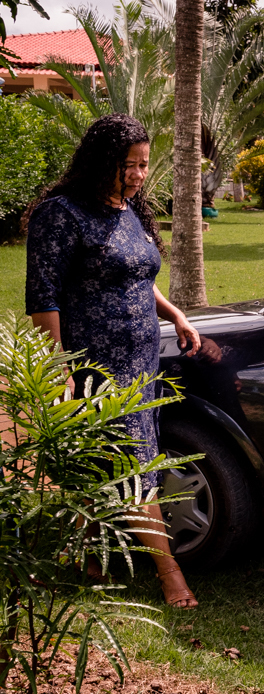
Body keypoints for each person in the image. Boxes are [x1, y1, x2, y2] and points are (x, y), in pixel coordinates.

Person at [25, 113, 202, 609]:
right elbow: (44, 296)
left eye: (145, 165)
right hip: (93, 364)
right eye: (130, 165)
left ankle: (85, 555)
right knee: (131, 465)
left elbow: (140, 278)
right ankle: (171, 574)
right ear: (102, 161)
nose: (139, 174)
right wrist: (58, 364)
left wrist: (176, 315)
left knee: (100, 464)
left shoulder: (129, 211)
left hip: (140, 360)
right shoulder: (61, 215)